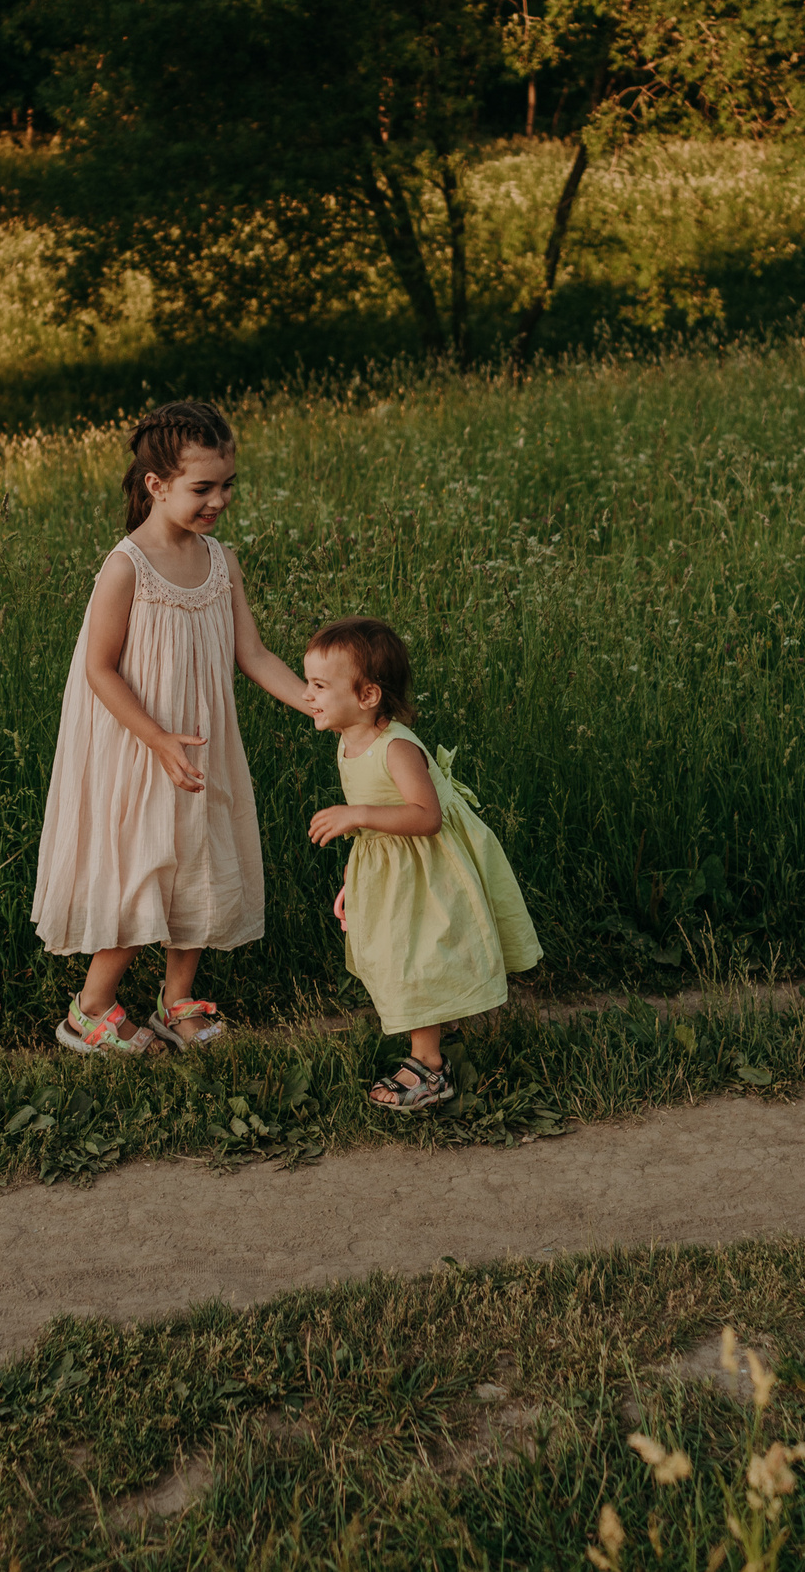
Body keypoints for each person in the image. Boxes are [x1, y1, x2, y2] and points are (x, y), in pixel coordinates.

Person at [32, 402, 311, 1054]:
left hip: (203, 745)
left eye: (227, 485)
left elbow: (255, 654)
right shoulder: (127, 566)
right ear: (156, 485)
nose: (219, 500)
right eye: (202, 487)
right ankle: (90, 1008)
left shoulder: (222, 561)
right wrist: (156, 737)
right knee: (143, 872)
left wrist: (316, 703)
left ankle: (176, 999)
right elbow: (100, 669)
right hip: (140, 746)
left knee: (200, 864)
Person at [302, 617, 540, 1110]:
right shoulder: (349, 740)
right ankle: (437, 1027)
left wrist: (357, 814)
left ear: (368, 695)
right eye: (309, 683)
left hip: (425, 872)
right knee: (395, 956)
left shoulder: (397, 747)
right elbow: (370, 832)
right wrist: (353, 877)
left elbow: (426, 817)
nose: (309, 695)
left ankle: (430, 1067)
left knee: (415, 960)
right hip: (387, 870)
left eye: (320, 686)